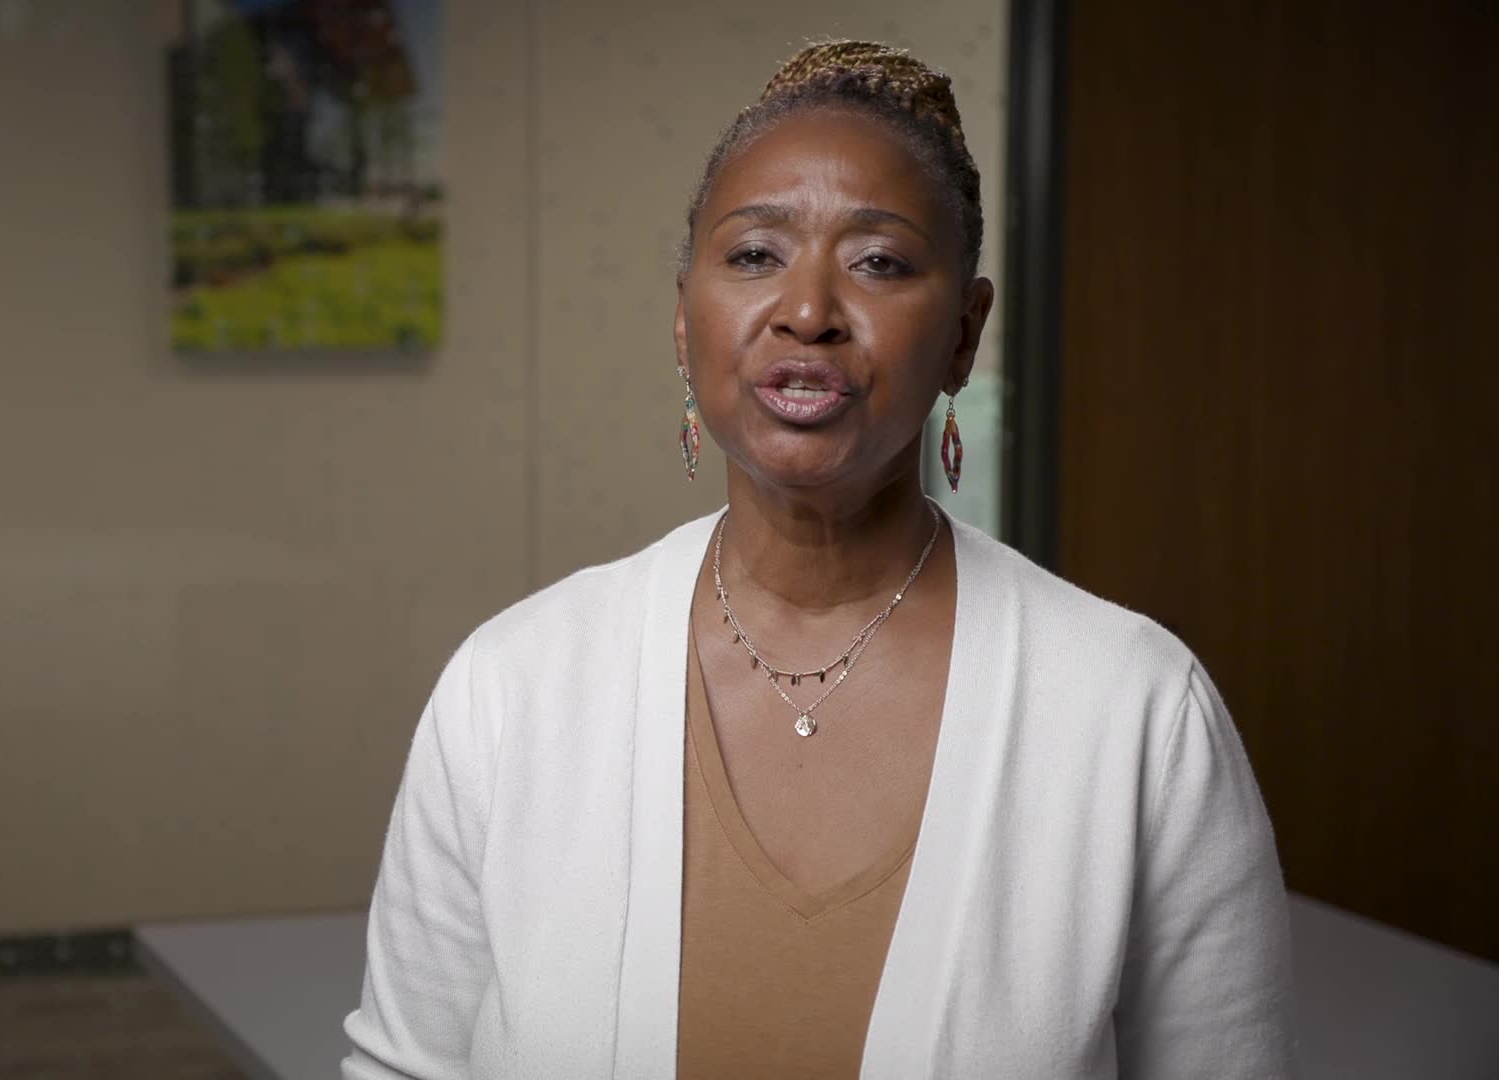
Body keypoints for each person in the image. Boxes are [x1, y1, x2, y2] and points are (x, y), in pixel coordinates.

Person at [342, 40, 1294, 1080]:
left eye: (879, 262)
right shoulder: (512, 686)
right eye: (755, 255)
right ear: (682, 319)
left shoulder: (1136, 710)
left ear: (964, 334)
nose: (807, 311)